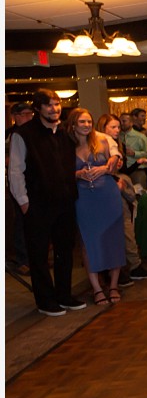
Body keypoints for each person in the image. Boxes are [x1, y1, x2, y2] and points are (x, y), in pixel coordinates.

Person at [7, 90, 88, 316]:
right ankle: (45, 301)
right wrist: (24, 203)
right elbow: (15, 172)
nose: (55, 109)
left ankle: (64, 295)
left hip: (65, 202)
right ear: (38, 108)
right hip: (37, 204)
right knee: (39, 254)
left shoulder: (64, 133)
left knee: (64, 251)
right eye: (49, 105)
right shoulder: (23, 135)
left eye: (57, 104)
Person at [68, 108, 126, 305]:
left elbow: (116, 160)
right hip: (83, 198)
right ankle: (97, 288)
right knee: (88, 241)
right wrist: (78, 174)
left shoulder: (102, 139)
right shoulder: (67, 145)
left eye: (89, 122)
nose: (86, 125)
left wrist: (107, 166)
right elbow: (60, 172)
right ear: (73, 125)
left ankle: (114, 285)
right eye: (82, 122)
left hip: (107, 195)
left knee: (113, 238)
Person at [96, 114, 147, 284]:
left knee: (126, 229)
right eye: (113, 127)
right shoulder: (98, 145)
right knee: (117, 231)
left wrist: (137, 163)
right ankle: (118, 270)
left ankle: (127, 267)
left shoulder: (117, 144)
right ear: (103, 127)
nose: (117, 130)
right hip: (106, 192)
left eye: (118, 126)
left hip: (118, 189)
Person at [6, 102, 34, 275]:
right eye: (24, 114)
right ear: (15, 116)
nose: (29, 117)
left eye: (30, 113)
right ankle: (23, 258)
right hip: (17, 183)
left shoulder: (34, 133)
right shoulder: (10, 135)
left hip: (34, 181)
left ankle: (33, 257)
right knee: (21, 220)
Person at [119, 111, 147, 190]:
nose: (121, 123)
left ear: (131, 123)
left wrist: (135, 153)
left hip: (137, 170)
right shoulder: (118, 136)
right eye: (120, 121)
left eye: (124, 121)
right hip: (122, 171)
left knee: (140, 193)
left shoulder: (140, 137)